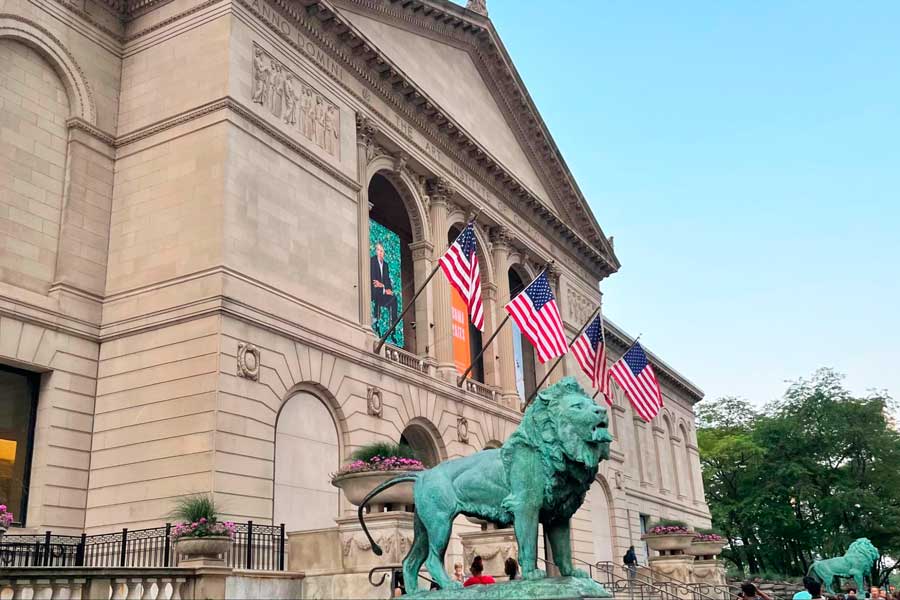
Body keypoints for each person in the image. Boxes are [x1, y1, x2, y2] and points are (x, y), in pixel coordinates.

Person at [370, 242, 398, 337]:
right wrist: (383, 287)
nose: (380, 253)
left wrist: (388, 289)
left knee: (394, 298)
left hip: (382, 291)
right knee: (377, 293)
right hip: (373, 291)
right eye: (378, 250)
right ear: (375, 251)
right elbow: (374, 282)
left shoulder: (385, 265)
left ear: (384, 253)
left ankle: (393, 328)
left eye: (381, 251)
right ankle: (376, 323)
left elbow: (387, 280)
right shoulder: (372, 261)